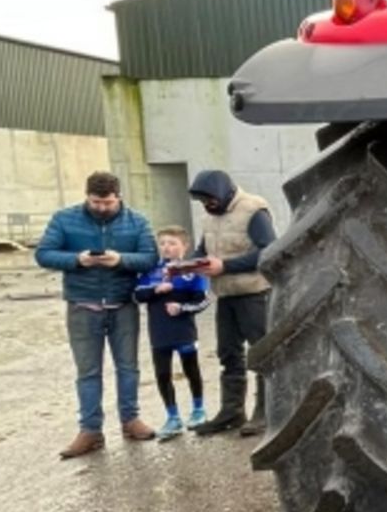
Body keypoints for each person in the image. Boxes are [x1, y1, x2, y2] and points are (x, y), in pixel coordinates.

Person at [35, 170, 159, 458]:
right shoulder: (64, 219)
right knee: (88, 372)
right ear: (87, 196)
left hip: (123, 304)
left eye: (108, 203)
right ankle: (90, 430)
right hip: (82, 305)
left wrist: (121, 260)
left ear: (119, 197)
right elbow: (43, 254)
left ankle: (131, 420)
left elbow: (150, 257)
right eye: (95, 202)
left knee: (128, 367)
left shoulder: (137, 221)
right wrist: (77, 259)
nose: (102, 208)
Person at [188, 169, 276, 437]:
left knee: (262, 355)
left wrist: (224, 266)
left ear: (223, 192)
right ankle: (232, 411)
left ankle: (265, 412)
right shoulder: (209, 218)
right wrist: (190, 263)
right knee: (229, 354)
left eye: (210, 200)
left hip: (254, 294)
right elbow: (204, 250)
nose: (207, 205)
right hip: (225, 295)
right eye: (203, 202)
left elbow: (270, 250)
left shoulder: (253, 210)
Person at [134, 227, 211, 438]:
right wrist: (155, 290)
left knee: (191, 370)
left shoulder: (192, 270)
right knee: (162, 374)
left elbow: (203, 300)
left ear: (184, 246)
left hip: (184, 331)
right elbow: (137, 295)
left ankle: (198, 410)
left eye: (172, 243)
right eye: (163, 243)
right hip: (159, 332)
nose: (167, 247)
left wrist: (182, 307)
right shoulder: (151, 270)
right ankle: (172, 417)